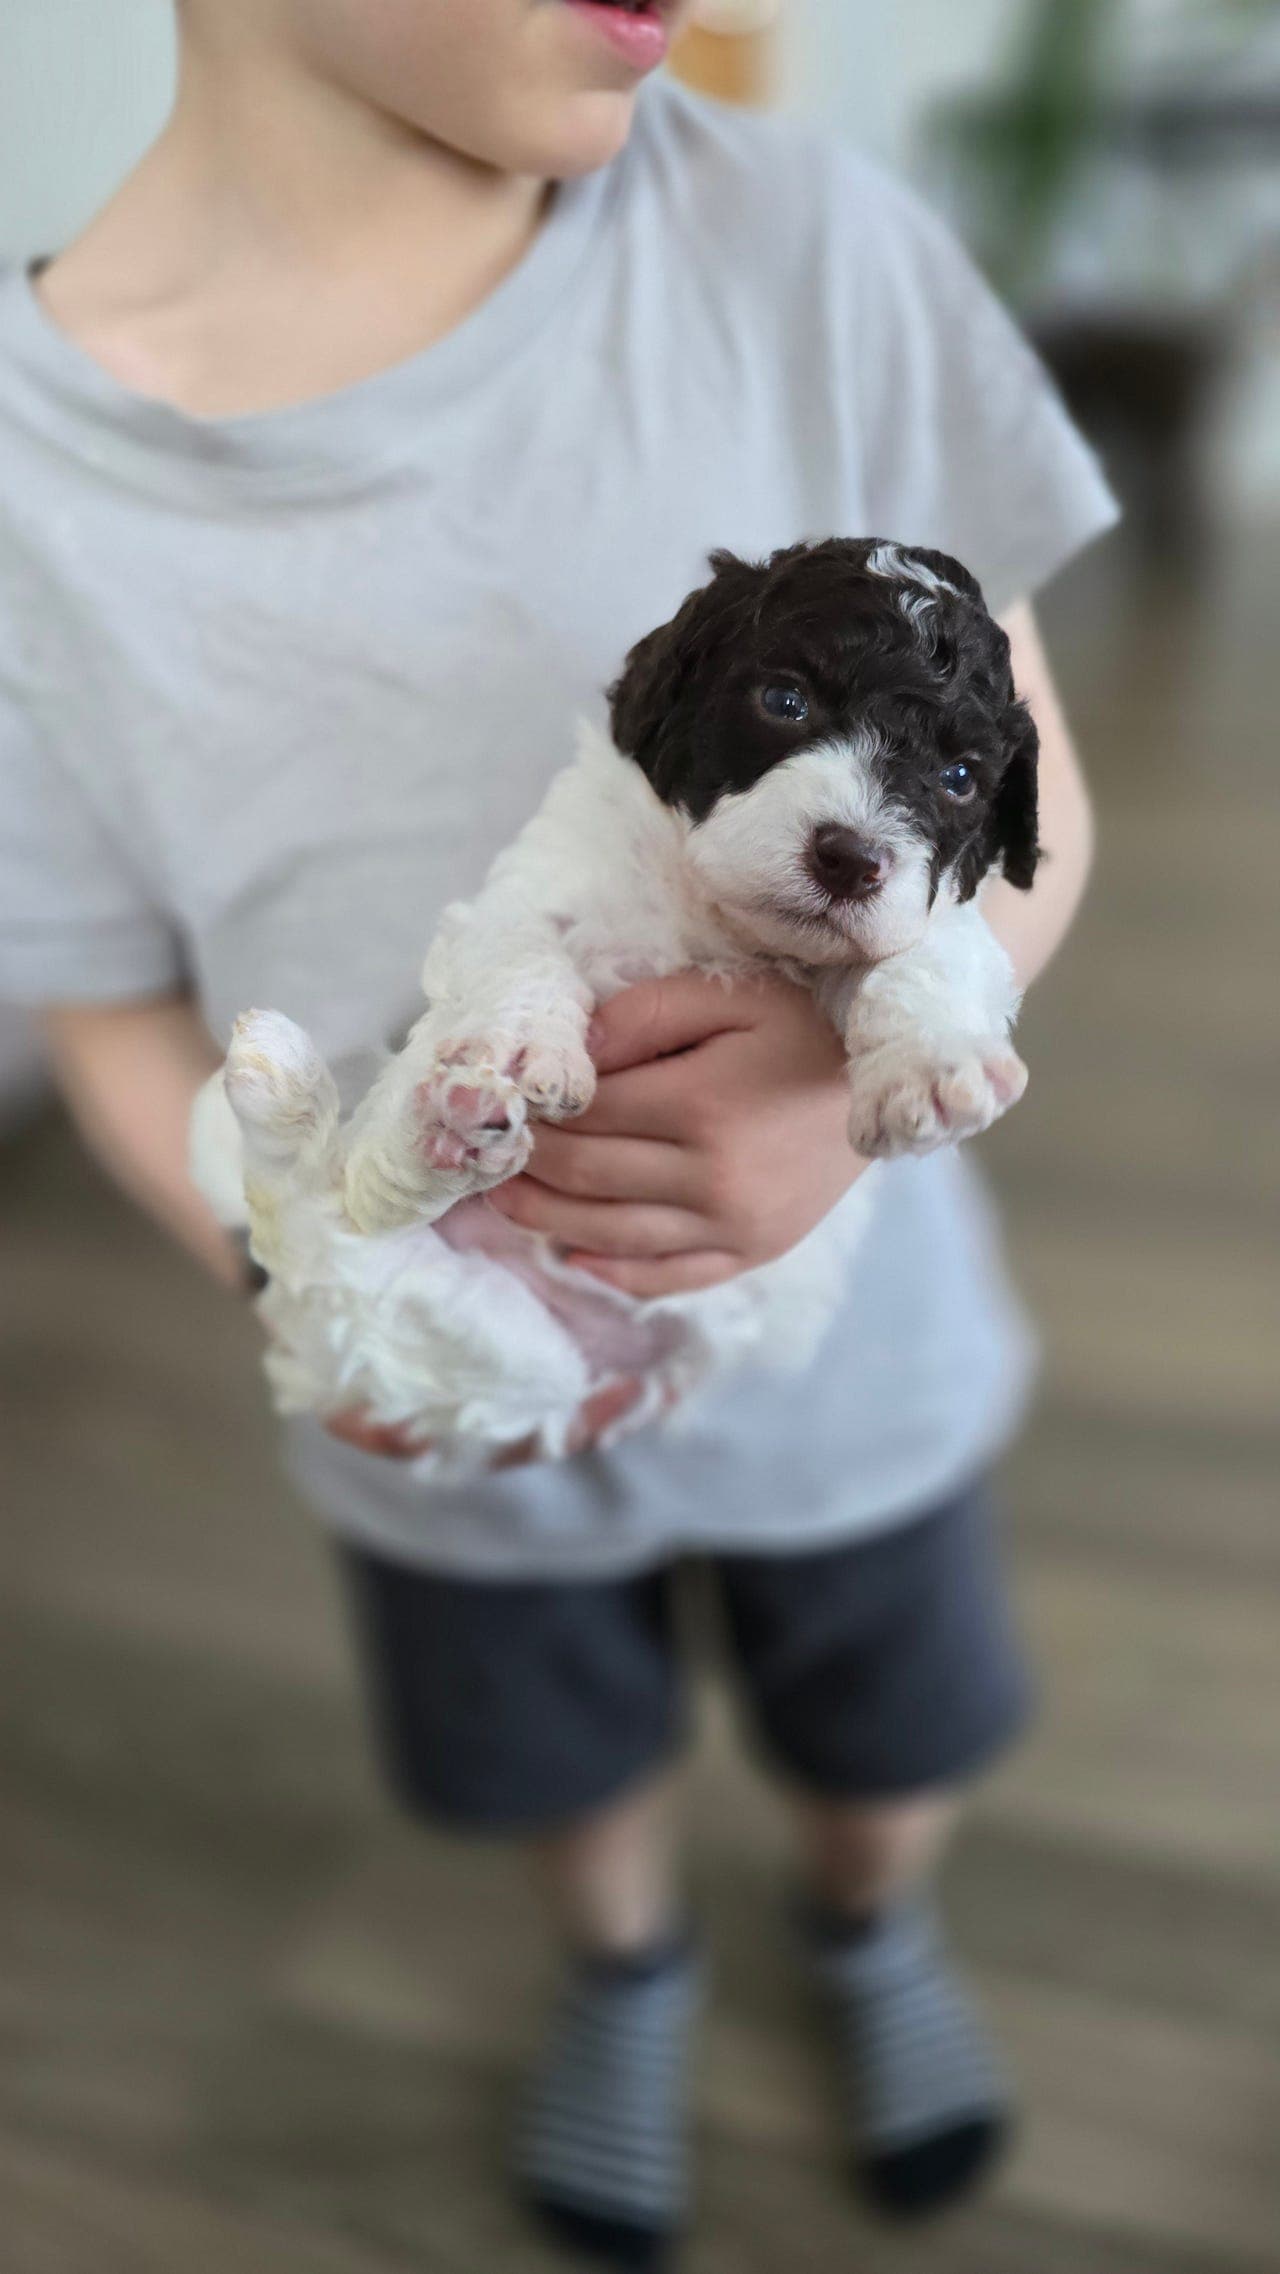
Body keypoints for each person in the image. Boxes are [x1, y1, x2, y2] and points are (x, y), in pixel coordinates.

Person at [0, 3, 1115, 2265]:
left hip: (848, 1372)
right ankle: (628, 1969)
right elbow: (105, 998)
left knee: (884, 1733)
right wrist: (284, 1259)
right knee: (548, 1755)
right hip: (453, 1427)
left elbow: (1019, 800)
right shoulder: (32, 480)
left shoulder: (802, 237)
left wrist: (835, 1102)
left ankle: (866, 1932)